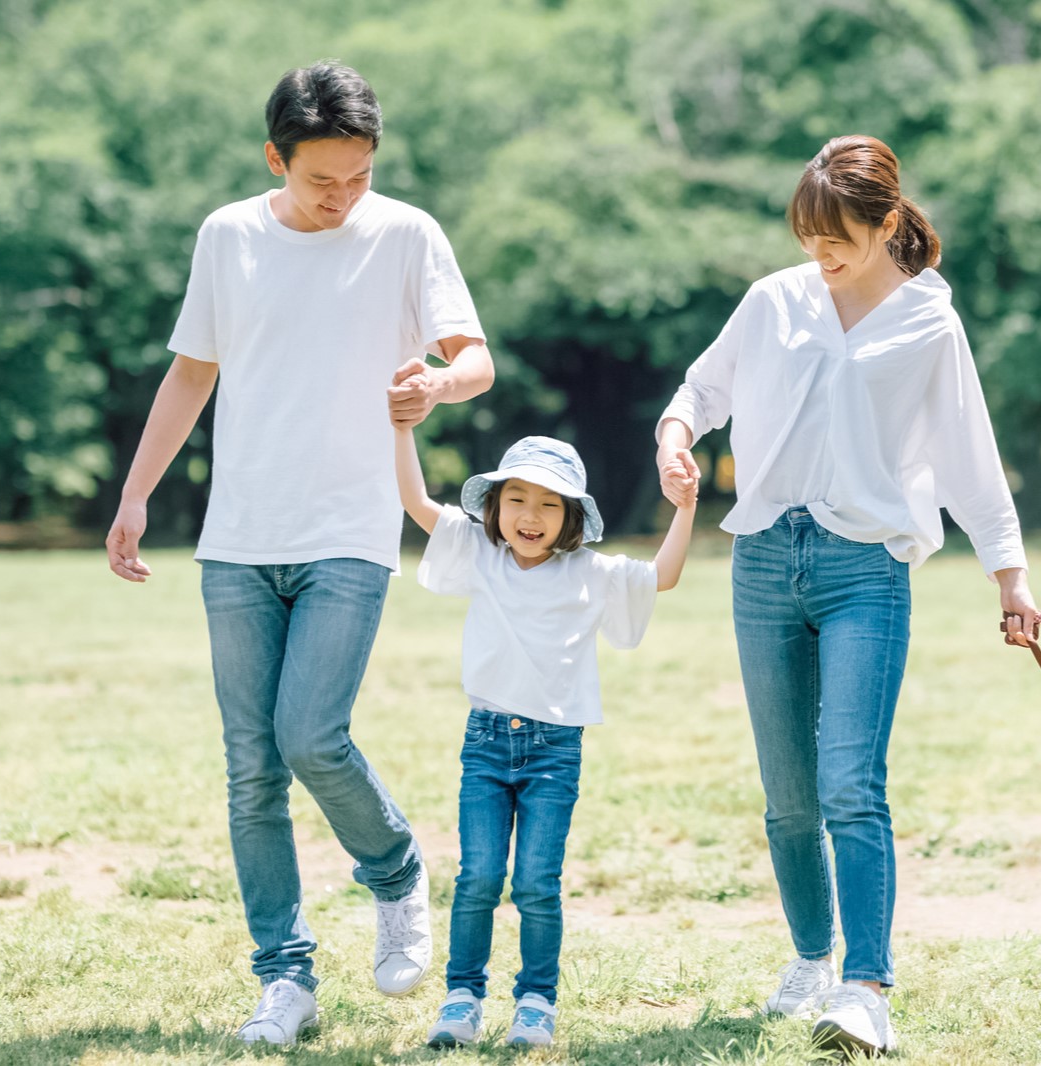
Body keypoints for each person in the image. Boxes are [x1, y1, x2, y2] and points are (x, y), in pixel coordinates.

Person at [104, 61, 495, 1047]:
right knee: (249, 770)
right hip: (237, 537)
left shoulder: (406, 234)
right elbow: (193, 372)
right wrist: (137, 493)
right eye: (322, 179)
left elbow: (473, 358)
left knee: (309, 735)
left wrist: (436, 390)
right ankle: (285, 979)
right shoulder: (228, 236)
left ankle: (397, 870)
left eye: (359, 175)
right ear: (275, 158)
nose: (343, 196)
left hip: (348, 531)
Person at [654, 134, 1041, 1056]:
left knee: (848, 787)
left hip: (864, 564)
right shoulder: (773, 301)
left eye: (837, 238)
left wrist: (1009, 574)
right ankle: (808, 960)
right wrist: (676, 434)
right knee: (787, 796)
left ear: (884, 223)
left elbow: (965, 453)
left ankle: (865, 988)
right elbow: (701, 389)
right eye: (806, 236)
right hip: (761, 562)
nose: (819, 255)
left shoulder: (926, 323)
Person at [394, 430, 696, 1049]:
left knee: (536, 881)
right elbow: (416, 500)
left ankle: (535, 1002)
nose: (530, 516)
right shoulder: (482, 556)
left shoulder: (592, 573)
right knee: (478, 876)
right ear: (495, 508)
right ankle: (463, 998)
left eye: (549, 504)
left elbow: (661, 577)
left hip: (554, 751)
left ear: (572, 519)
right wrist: (402, 429)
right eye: (517, 499)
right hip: (484, 743)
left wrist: (687, 506)